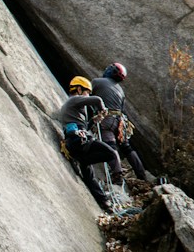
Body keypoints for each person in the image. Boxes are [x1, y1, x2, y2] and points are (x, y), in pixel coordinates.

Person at [55, 76, 124, 213]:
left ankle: (104, 203)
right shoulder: (74, 100)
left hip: (75, 142)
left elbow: (83, 126)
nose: (87, 95)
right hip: (80, 141)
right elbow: (97, 99)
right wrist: (102, 109)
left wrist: (95, 120)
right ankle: (82, 161)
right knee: (110, 153)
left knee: (89, 178)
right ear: (79, 89)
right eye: (86, 92)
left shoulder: (73, 108)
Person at [88, 62, 149, 182]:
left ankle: (117, 174)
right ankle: (141, 174)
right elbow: (121, 109)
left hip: (106, 119)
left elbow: (85, 95)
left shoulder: (97, 82)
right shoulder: (120, 91)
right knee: (126, 147)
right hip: (119, 121)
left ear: (111, 71)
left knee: (110, 145)